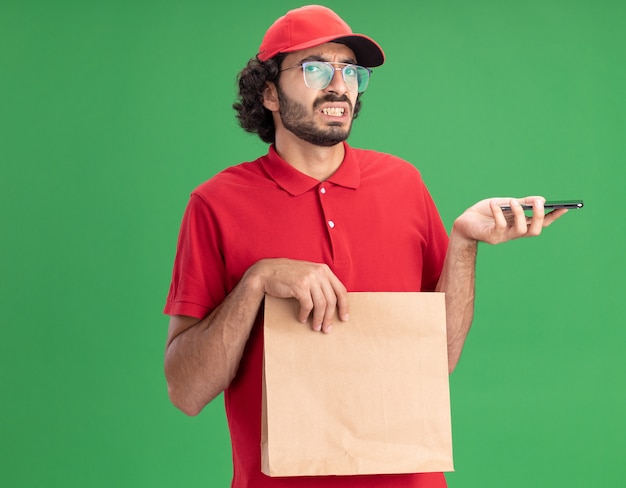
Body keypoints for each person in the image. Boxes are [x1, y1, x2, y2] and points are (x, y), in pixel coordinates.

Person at [163, 5, 567, 488]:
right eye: (316, 68)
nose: (339, 85)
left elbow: (438, 360)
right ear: (269, 92)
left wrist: (463, 243)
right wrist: (257, 281)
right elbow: (186, 392)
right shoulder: (216, 203)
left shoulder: (403, 182)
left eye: (351, 71)